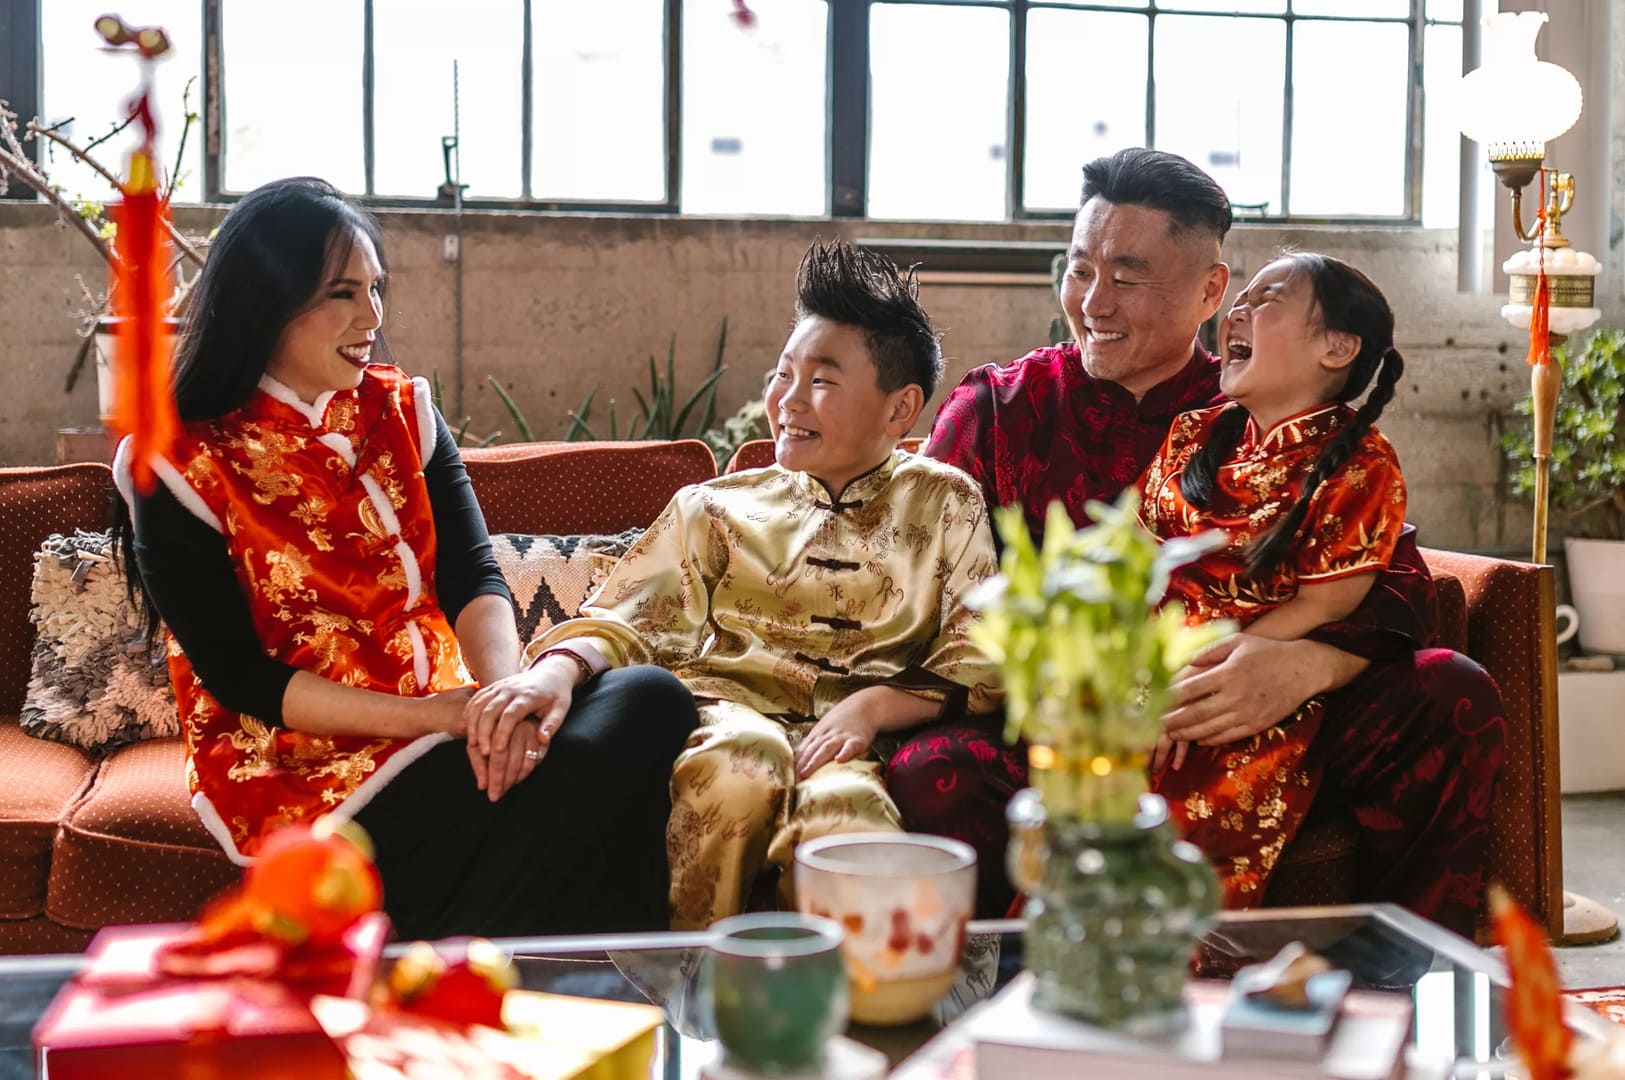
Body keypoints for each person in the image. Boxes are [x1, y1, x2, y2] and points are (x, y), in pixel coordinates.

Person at [913, 147, 1506, 937]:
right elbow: (920, 572)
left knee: (1446, 692)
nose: (1093, 300)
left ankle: (1395, 993)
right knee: (933, 772)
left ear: (1209, 290)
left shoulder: (1270, 400)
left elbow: (1392, 580)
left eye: (1126, 276)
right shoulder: (999, 408)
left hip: (1258, 720)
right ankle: (1013, 1003)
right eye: (1079, 268)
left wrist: (1302, 664)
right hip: (1054, 734)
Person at [114, 177, 696, 939]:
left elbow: (472, 576)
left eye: (376, 288)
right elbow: (242, 681)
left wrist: (504, 703)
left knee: (650, 699)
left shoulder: (403, 412)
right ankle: (543, 980)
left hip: (447, 729)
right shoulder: (176, 464)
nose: (372, 317)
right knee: (583, 794)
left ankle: (432, 950)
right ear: (267, 303)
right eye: (342, 294)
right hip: (306, 764)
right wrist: (434, 720)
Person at [466, 239, 1002, 930]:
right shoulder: (712, 507)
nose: (786, 400)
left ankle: (851, 1018)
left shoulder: (945, 502)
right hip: (724, 721)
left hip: (850, 744)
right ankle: (693, 983)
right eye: (782, 374)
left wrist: (874, 707)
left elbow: (979, 650)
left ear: (899, 410)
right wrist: (557, 672)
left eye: (822, 379)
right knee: (742, 769)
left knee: (853, 821)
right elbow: (628, 618)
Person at [1136, 252, 1407, 904]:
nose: (1239, 309)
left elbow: (1324, 603)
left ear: (1336, 347)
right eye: (1242, 297)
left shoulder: (1362, 465)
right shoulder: (1189, 435)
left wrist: (1201, 672)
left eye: (1268, 300)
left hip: (1248, 680)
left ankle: (1180, 975)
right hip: (1148, 663)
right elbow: (1135, 561)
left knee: (1186, 829)